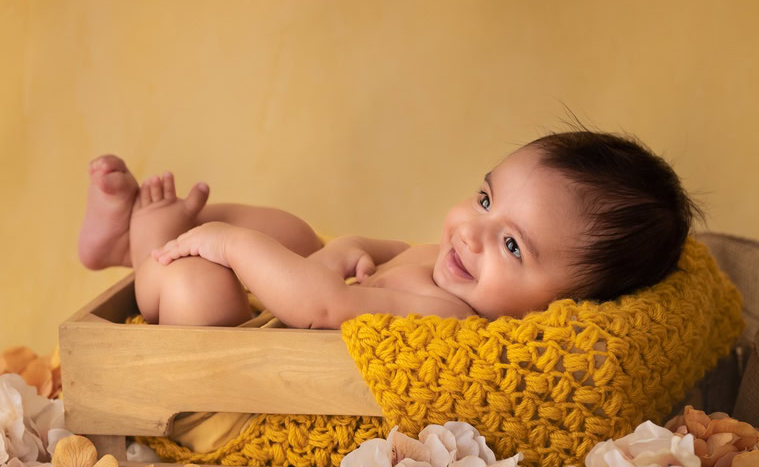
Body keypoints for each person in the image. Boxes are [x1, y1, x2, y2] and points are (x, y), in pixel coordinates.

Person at [77, 126, 706, 328]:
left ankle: (146, 250)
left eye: (512, 245)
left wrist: (234, 244)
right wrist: (349, 249)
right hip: (282, 300)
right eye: (485, 199)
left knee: (198, 291)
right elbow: (398, 251)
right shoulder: (458, 274)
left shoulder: (452, 317)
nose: (471, 232)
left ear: (567, 306)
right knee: (297, 232)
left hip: (245, 359)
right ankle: (132, 241)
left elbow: (325, 308)